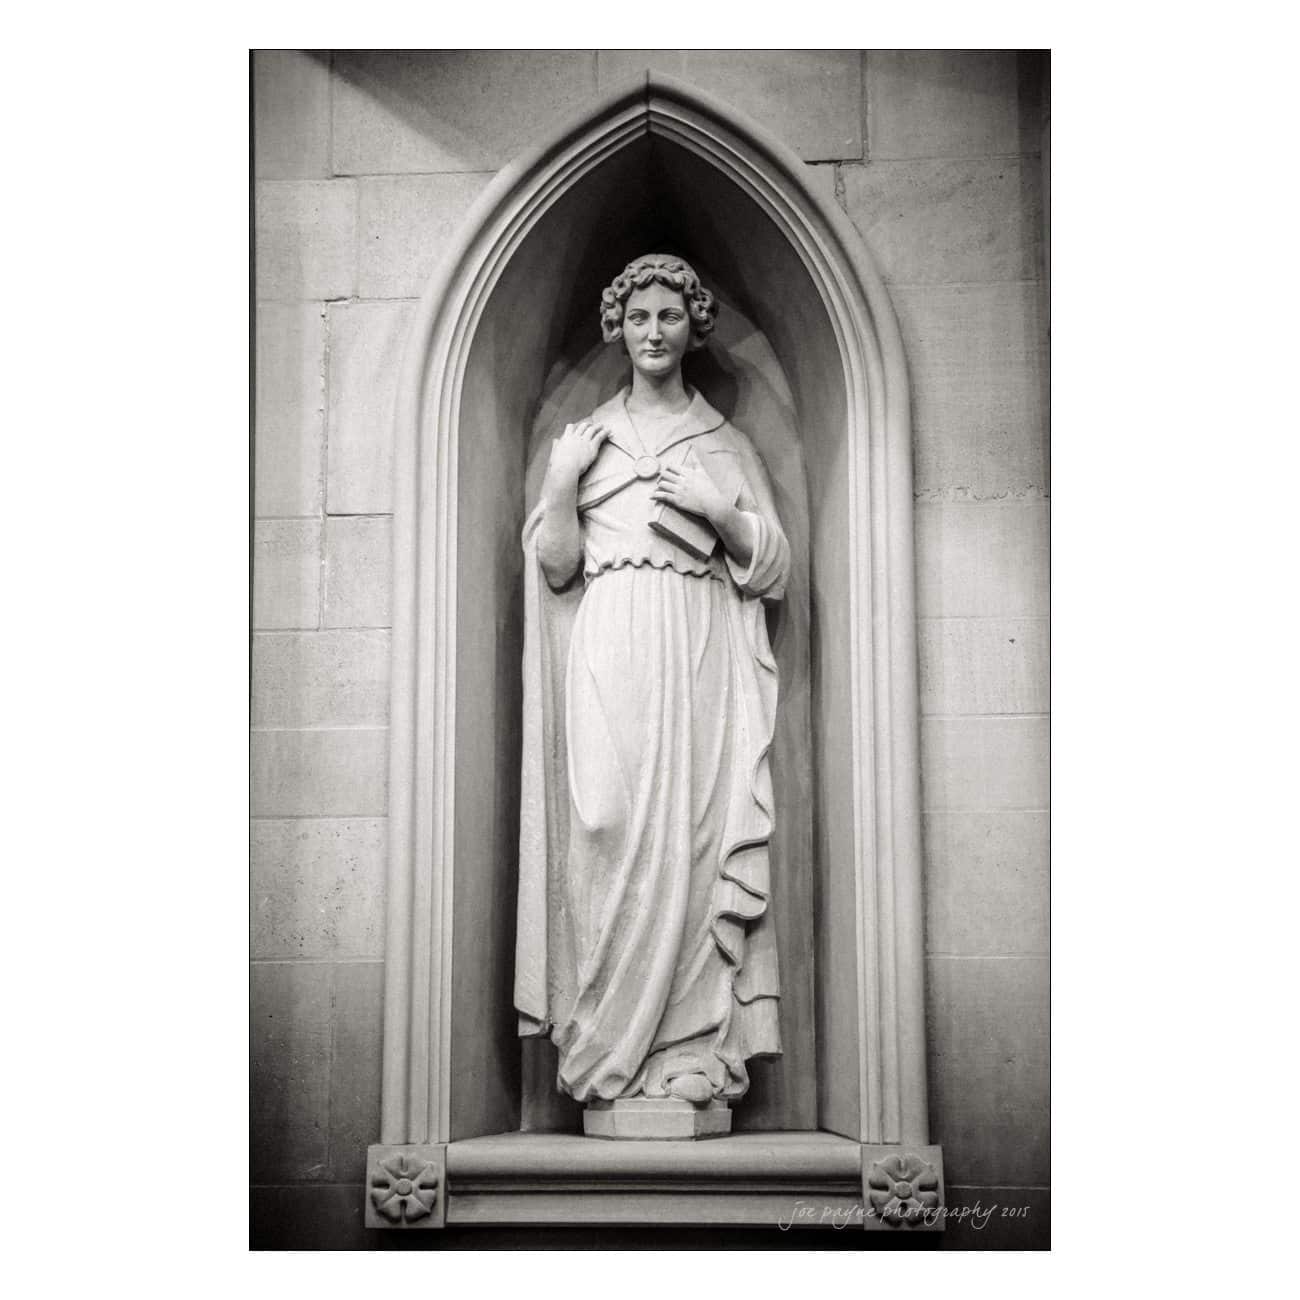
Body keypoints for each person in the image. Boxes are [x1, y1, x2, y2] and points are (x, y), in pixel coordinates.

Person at [515, 254, 790, 1110]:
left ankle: (688, 1050)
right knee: (603, 821)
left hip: (699, 652)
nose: (655, 332)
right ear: (618, 327)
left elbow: (774, 566)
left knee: (697, 838)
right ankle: (604, 1048)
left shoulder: (723, 442)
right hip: (609, 648)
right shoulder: (586, 442)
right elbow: (556, 567)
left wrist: (719, 510)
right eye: (640, 318)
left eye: (670, 316)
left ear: (693, 324)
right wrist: (560, 488)